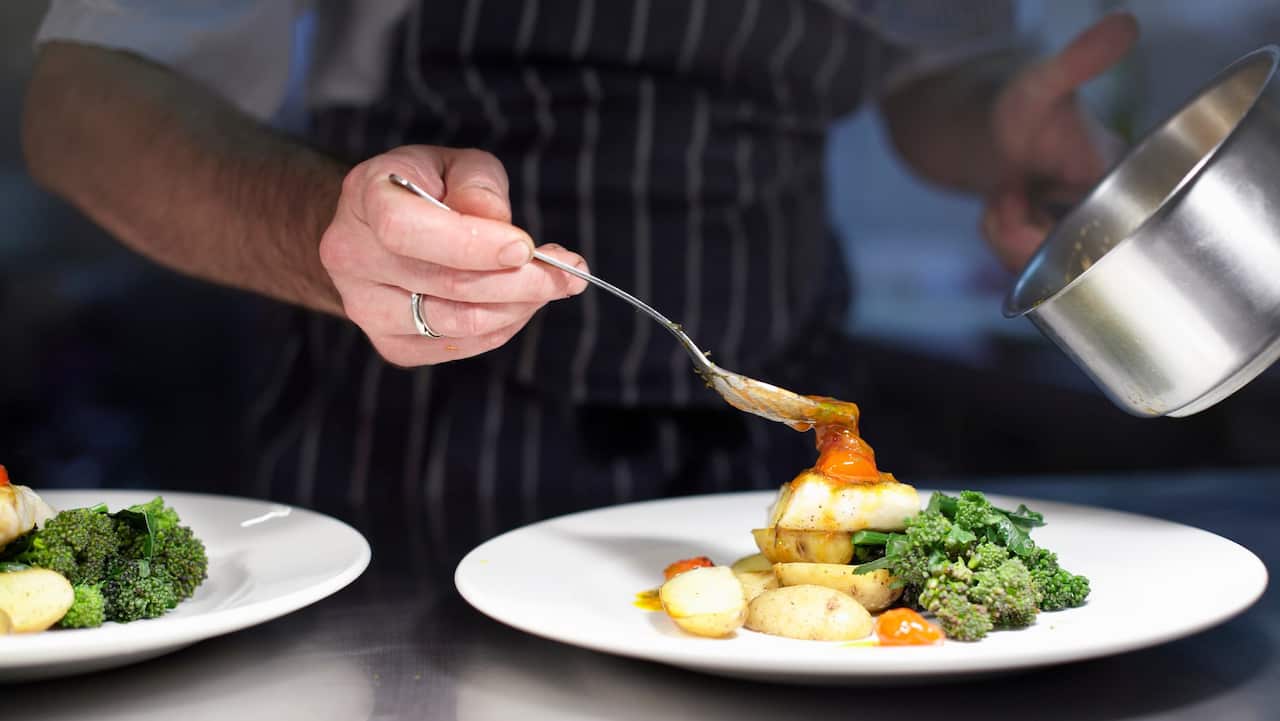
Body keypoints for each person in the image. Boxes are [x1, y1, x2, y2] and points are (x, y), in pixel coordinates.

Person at [22, 1, 1137, 561]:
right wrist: (326, 225)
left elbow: (932, 72)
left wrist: (996, 122)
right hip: (419, 439)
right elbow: (79, 102)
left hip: (775, 413)